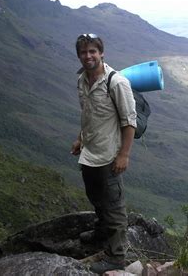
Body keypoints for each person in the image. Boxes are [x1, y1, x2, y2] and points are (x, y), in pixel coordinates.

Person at [70, 33, 137, 274]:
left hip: (109, 156)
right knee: (95, 196)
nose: (88, 56)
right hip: (89, 153)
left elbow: (130, 122)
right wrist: (80, 138)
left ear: (101, 53)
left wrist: (124, 155)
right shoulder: (82, 79)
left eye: (92, 52)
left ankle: (116, 258)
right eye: (83, 52)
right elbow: (88, 113)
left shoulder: (116, 83)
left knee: (114, 206)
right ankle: (101, 232)